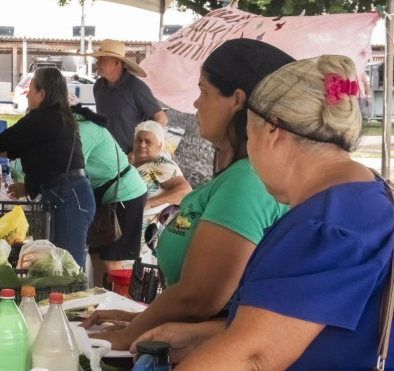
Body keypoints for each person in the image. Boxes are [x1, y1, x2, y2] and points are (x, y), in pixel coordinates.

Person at [106, 55, 394, 371]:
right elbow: (314, 324)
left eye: (250, 137)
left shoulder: (328, 224)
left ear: (272, 132)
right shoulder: (366, 194)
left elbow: (253, 359)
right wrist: (209, 335)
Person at [82, 39, 291, 350]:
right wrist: (140, 320)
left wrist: (124, 339)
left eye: (204, 92)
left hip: (208, 358)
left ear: (236, 99)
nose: (195, 104)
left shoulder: (247, 181)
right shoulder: (236, 175)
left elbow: (199, 298)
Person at [0, 68, 95, 267]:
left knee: (69, 267)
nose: (27, 93)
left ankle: (75, 298)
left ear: (42, 93)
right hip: (71, 194)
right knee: (57, 263)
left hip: (70, 197)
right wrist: (29, 186)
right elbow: (11, 151)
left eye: (30, 89)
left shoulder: (41, 118)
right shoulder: (57, 117)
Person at [71, 103, 148, 286]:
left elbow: (71, 166)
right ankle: (99, 303)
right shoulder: (73, 128)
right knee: (96, 255)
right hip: (106, 196)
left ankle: (118, 305)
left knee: (112, 261)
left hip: (126, 195)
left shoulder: (84, 129)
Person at [89, 39, 167, 153]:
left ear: (117, 62)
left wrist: (143, 148)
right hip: (106, 154)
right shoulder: (98, 86)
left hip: (131, 157)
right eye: (98, 59)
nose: (97, 63)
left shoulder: (136, 87)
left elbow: (161, 118)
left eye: (103, 59)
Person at [129, 120, 192, 256]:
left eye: (148, 142)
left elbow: (185, 191)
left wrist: (149, 203)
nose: (142, 145)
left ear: (159, 146)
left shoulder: (160, 163)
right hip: (123, 227)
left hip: (142, 234)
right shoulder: (130, 159)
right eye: (138, 140)